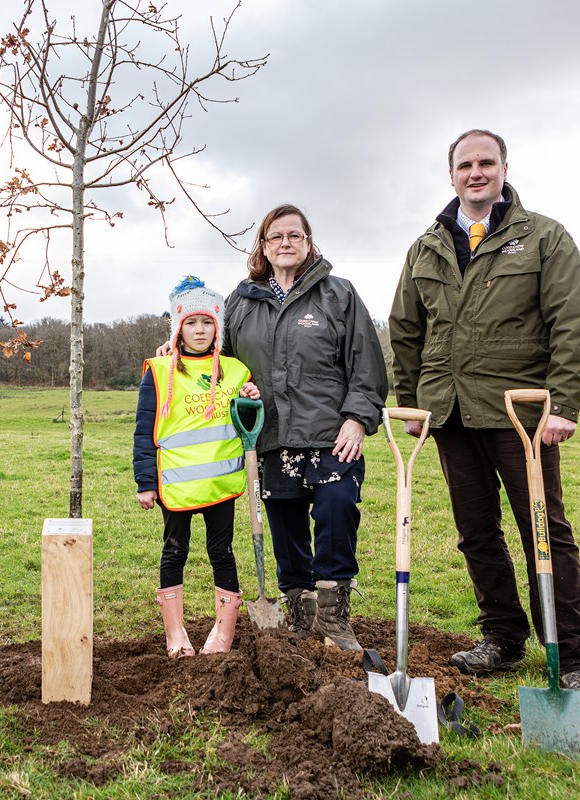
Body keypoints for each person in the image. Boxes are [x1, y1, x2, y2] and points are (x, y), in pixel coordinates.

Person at [388, 129, 580, 710]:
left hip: (520, 413)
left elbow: (572, 323)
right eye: (465, 164)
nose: (476, 172)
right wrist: (410, 398)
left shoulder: (543, 238)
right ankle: (503, 638)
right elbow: (405, 330)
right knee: (476, 533)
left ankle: (577, 661)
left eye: (486, 162)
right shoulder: (427, 247)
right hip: (451, 412)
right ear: (452, 175)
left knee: (545, 529)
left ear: (504, 168)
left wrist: (561, 406)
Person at [222, 204, 389, 651]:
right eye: (276, 237)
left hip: (332, 435)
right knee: (285, 527)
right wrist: (177, 346)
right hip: (270, 436)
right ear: (263, 246)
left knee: (336, 511)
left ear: (309, 242)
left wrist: (357, 419)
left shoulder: (338, 294)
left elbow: (366, 364)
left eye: (295, 235)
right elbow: (217, 363)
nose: (285, 243)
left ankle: (333, 616)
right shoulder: (240, 302)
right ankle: (300, 610)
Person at [134, 277, 260, 658]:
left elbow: (247, 415)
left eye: (207, 323)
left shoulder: (236, 371)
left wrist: (251, 395)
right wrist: (145, 481)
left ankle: (223, 634)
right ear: (178, 328)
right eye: (191, 323)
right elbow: (144, 430)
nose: (200, 330)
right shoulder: (158, 372)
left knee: (222, 551)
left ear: (217, 328)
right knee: (174, 552)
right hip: (177, 485)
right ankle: (176, 634)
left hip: (221, 484)